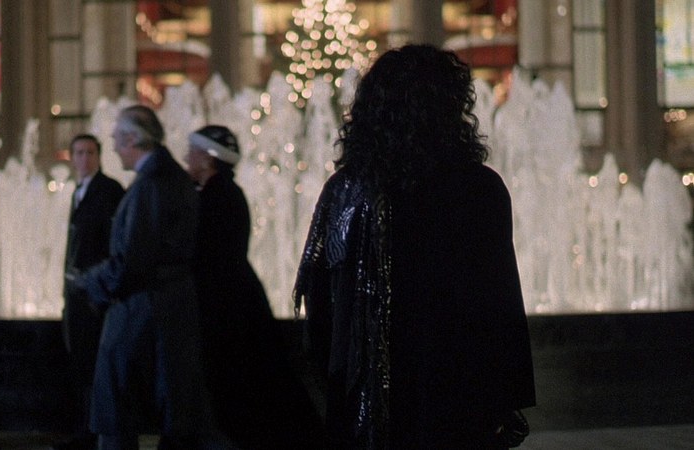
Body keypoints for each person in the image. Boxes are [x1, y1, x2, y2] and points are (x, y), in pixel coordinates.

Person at [293, 44, 536, 449]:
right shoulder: (479, 189)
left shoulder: (347, 191)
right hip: (455, 400)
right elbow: (500, 305)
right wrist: (503, 403)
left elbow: (321, 309)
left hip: (369, 410)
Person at [71, 105, 216, 449]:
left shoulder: (152, 183)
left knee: (116, 411)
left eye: (117, 139)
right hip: (163, 308)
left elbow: (134, 258)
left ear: (133, 139)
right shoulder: (168, 177)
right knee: (169, 415)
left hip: (142, 310)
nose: (113, 146)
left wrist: (91, 282)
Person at [185, 126, 323, 449]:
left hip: (228, 307)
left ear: (208, 158)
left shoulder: (216, 196)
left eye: (193, 151)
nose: (187, 157)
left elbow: (209, 254)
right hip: (240, 299)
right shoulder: (224, 192)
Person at [60, 133, 125, 449]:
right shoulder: (80, 191)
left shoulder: (109, 190)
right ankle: (84, 431)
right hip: (78, 293)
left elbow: (115, 244)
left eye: (89, 152)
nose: (84, 158)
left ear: (99, 156)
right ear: (71, 158)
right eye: (79, 152)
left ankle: (90, 433)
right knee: (81, 365)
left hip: (94, 295)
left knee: (92, 367)